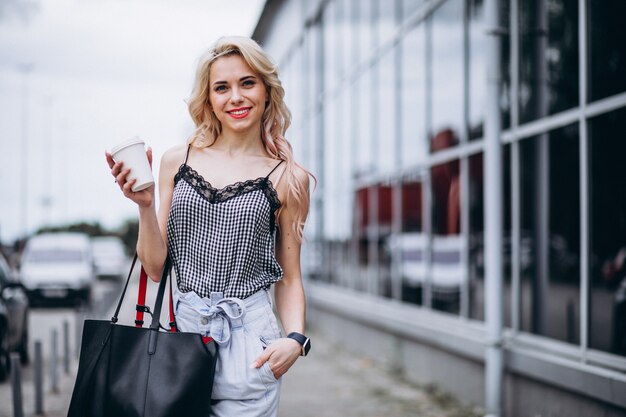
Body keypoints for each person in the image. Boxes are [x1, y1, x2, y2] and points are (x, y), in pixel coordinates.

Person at [105, 35, 313, 417]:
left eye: (247, 83)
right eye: (222, 87)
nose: (235, 97)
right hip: (178, 335)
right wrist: (145, 207)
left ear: (267, 91)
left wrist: (296, 339)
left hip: (252, 345)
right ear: (209, 99)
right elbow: (154, 267)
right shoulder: (176, 161)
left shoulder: (288, 178)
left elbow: (290, 277)